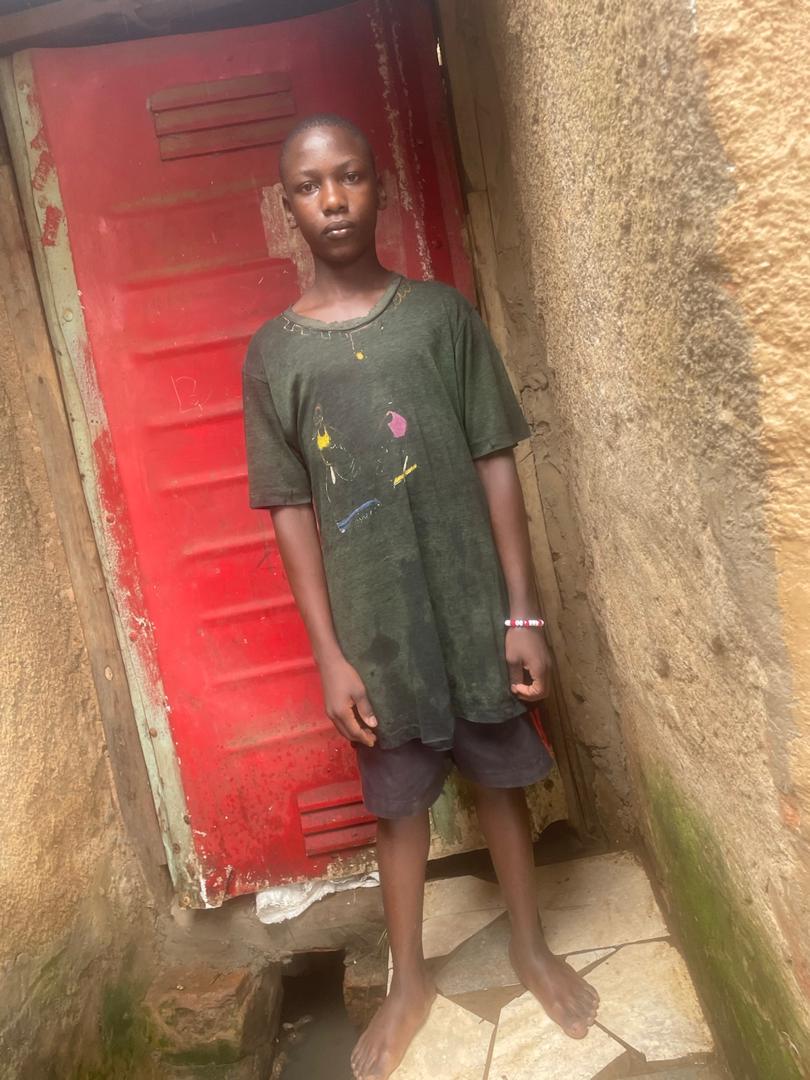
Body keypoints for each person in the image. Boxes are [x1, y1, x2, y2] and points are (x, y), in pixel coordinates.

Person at [242, 114, 599, 1080]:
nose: (333, 199)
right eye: (310, 186)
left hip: (471, 603)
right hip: (377, 630)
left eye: (351, 176)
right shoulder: (275, 355)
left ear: (381, 186)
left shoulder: (442, 317)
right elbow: (287, 510)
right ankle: (410, 981)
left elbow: (494, 460)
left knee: (499, 781)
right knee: (397, 805)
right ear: (288, 208)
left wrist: (521, 614)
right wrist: (330, 654)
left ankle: (529, 945)